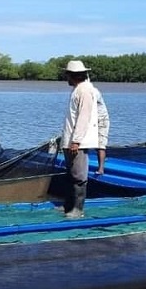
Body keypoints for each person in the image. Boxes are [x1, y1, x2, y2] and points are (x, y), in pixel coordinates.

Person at [60, 59, 100, 219]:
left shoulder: (85, 91)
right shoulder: (78, 90)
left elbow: (84, 117)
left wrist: (76, 141)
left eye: (68, 75)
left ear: (74, 75)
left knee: (79, 176)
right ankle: (68, 205)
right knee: (70, 174)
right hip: (71, 140)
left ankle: (78, 209)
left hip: (78, 142)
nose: (66, 78)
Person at [94, 88, 111, 175]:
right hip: (92, 120)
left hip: (101, 119)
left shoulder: (92, 92)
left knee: (100, 144)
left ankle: (101, 169)